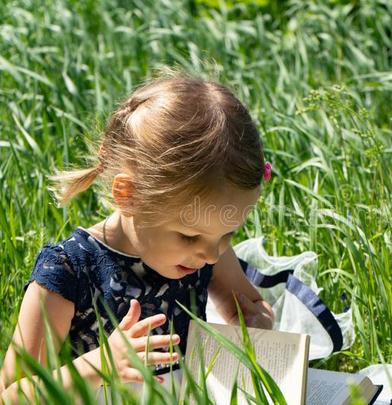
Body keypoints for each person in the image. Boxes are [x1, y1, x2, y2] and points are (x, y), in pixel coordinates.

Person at [0, 70, 275, 402]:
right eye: (189, 237)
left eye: (228, 235)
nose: (213, 255)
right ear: (128, 195)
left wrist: (254, 320)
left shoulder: (205, 250)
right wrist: (101, 364)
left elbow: (248, 307)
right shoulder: (70, 272)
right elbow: (11, 394)